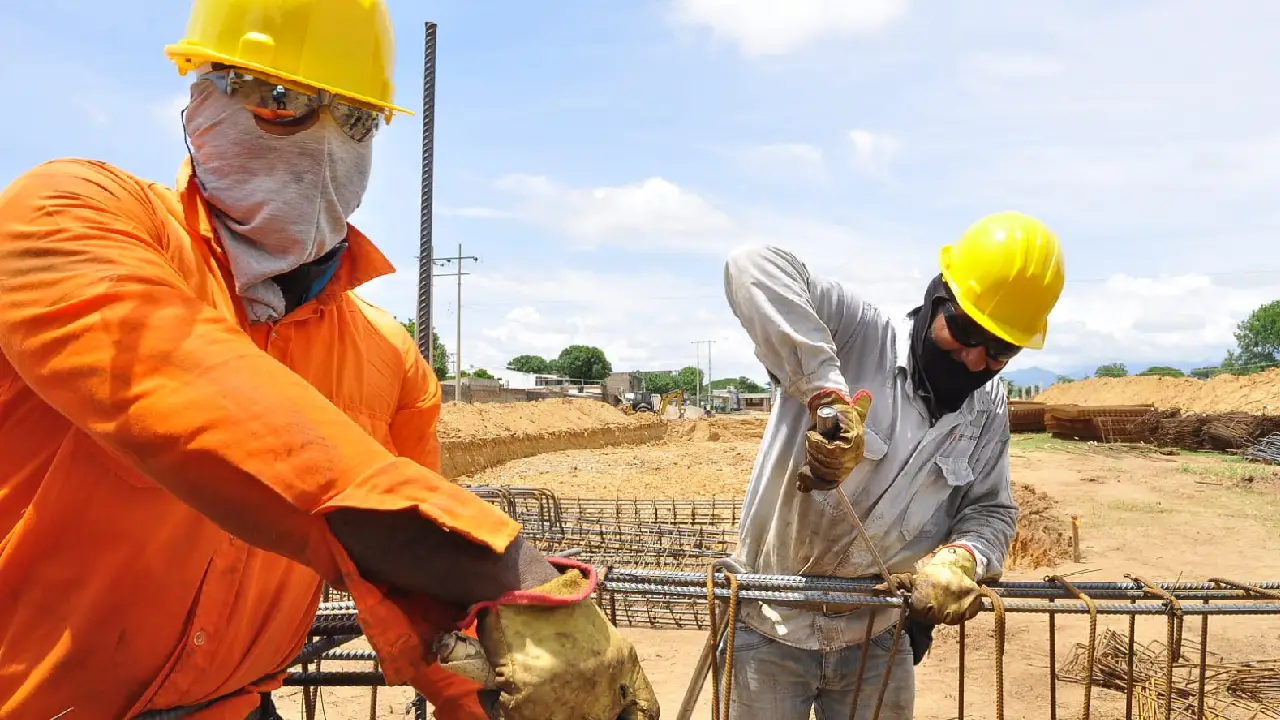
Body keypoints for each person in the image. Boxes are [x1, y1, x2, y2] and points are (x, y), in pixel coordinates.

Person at [0, 1, 657, 718]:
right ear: (198, 103)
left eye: (354, 120)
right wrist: (502, 569)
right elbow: (205, 403)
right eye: (278, 100)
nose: (321, 143)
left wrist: (495, 697)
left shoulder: (386, 357)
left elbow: (422, 594)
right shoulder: (67, 218)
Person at [719, 212, 1065, 718]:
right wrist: (827, 398)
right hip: (769, 624)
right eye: (966, 331)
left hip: (878, 635)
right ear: (935, 299)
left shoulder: (988, 410)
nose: (974, 359)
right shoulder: (857, 334)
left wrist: (964, 556)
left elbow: (990, 510)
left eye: (999, 349)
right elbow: (751, 264)